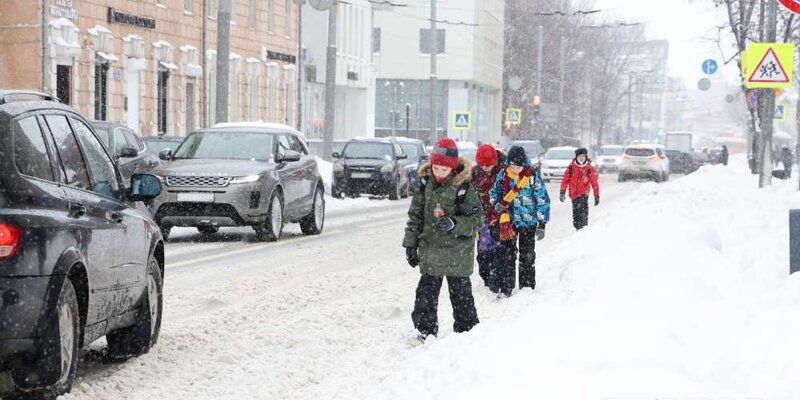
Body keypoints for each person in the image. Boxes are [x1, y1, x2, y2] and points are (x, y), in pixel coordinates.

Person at [403, 138, 485, 343]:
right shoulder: (425, 184)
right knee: (426, 294)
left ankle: (468, 332)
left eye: (443, 169)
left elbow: (477, 219)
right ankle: (424, 330)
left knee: (461, 294)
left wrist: (454, 223)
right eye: (435, 168)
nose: (438, 173)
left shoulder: (464, 188)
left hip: (457, 251)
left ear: (452, 168)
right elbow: (415, 216)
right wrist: (410, 244)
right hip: (431, 250)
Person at [490, 146, 550, 297]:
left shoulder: (532, 177)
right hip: (509, 223)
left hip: (529, 224)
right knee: (507, 256)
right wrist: (496, 202)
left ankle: (527, 287)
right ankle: (506, 287)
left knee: (527, 255)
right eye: (512, 166)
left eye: (518, 166)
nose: (515, 169)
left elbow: (542, 199)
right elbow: (493, 192)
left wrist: (542, 224)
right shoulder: (503, 176)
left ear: (524, 164)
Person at [472, 144, 505, 289]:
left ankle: (497, 279)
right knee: (484, 249)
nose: (485, 168)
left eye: (489, 165)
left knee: (499, 249)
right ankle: (486, 276)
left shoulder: (503, 172)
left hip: (500, 217)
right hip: (483, 218)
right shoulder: (475, 173)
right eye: (482, 165)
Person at [560, 148, 600, 231]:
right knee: (576, 213)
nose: (581, 158)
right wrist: (562, 192)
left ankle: (584, 228)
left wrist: (596, 195)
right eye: (580, 156)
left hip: (584, 194)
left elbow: (594, 183)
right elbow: (565, 180)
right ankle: (577, 228)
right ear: (576, 157)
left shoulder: (589, 168)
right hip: (574, 194)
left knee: (584, 212)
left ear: (586, 157)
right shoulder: (571, 167)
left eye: (583, 156)